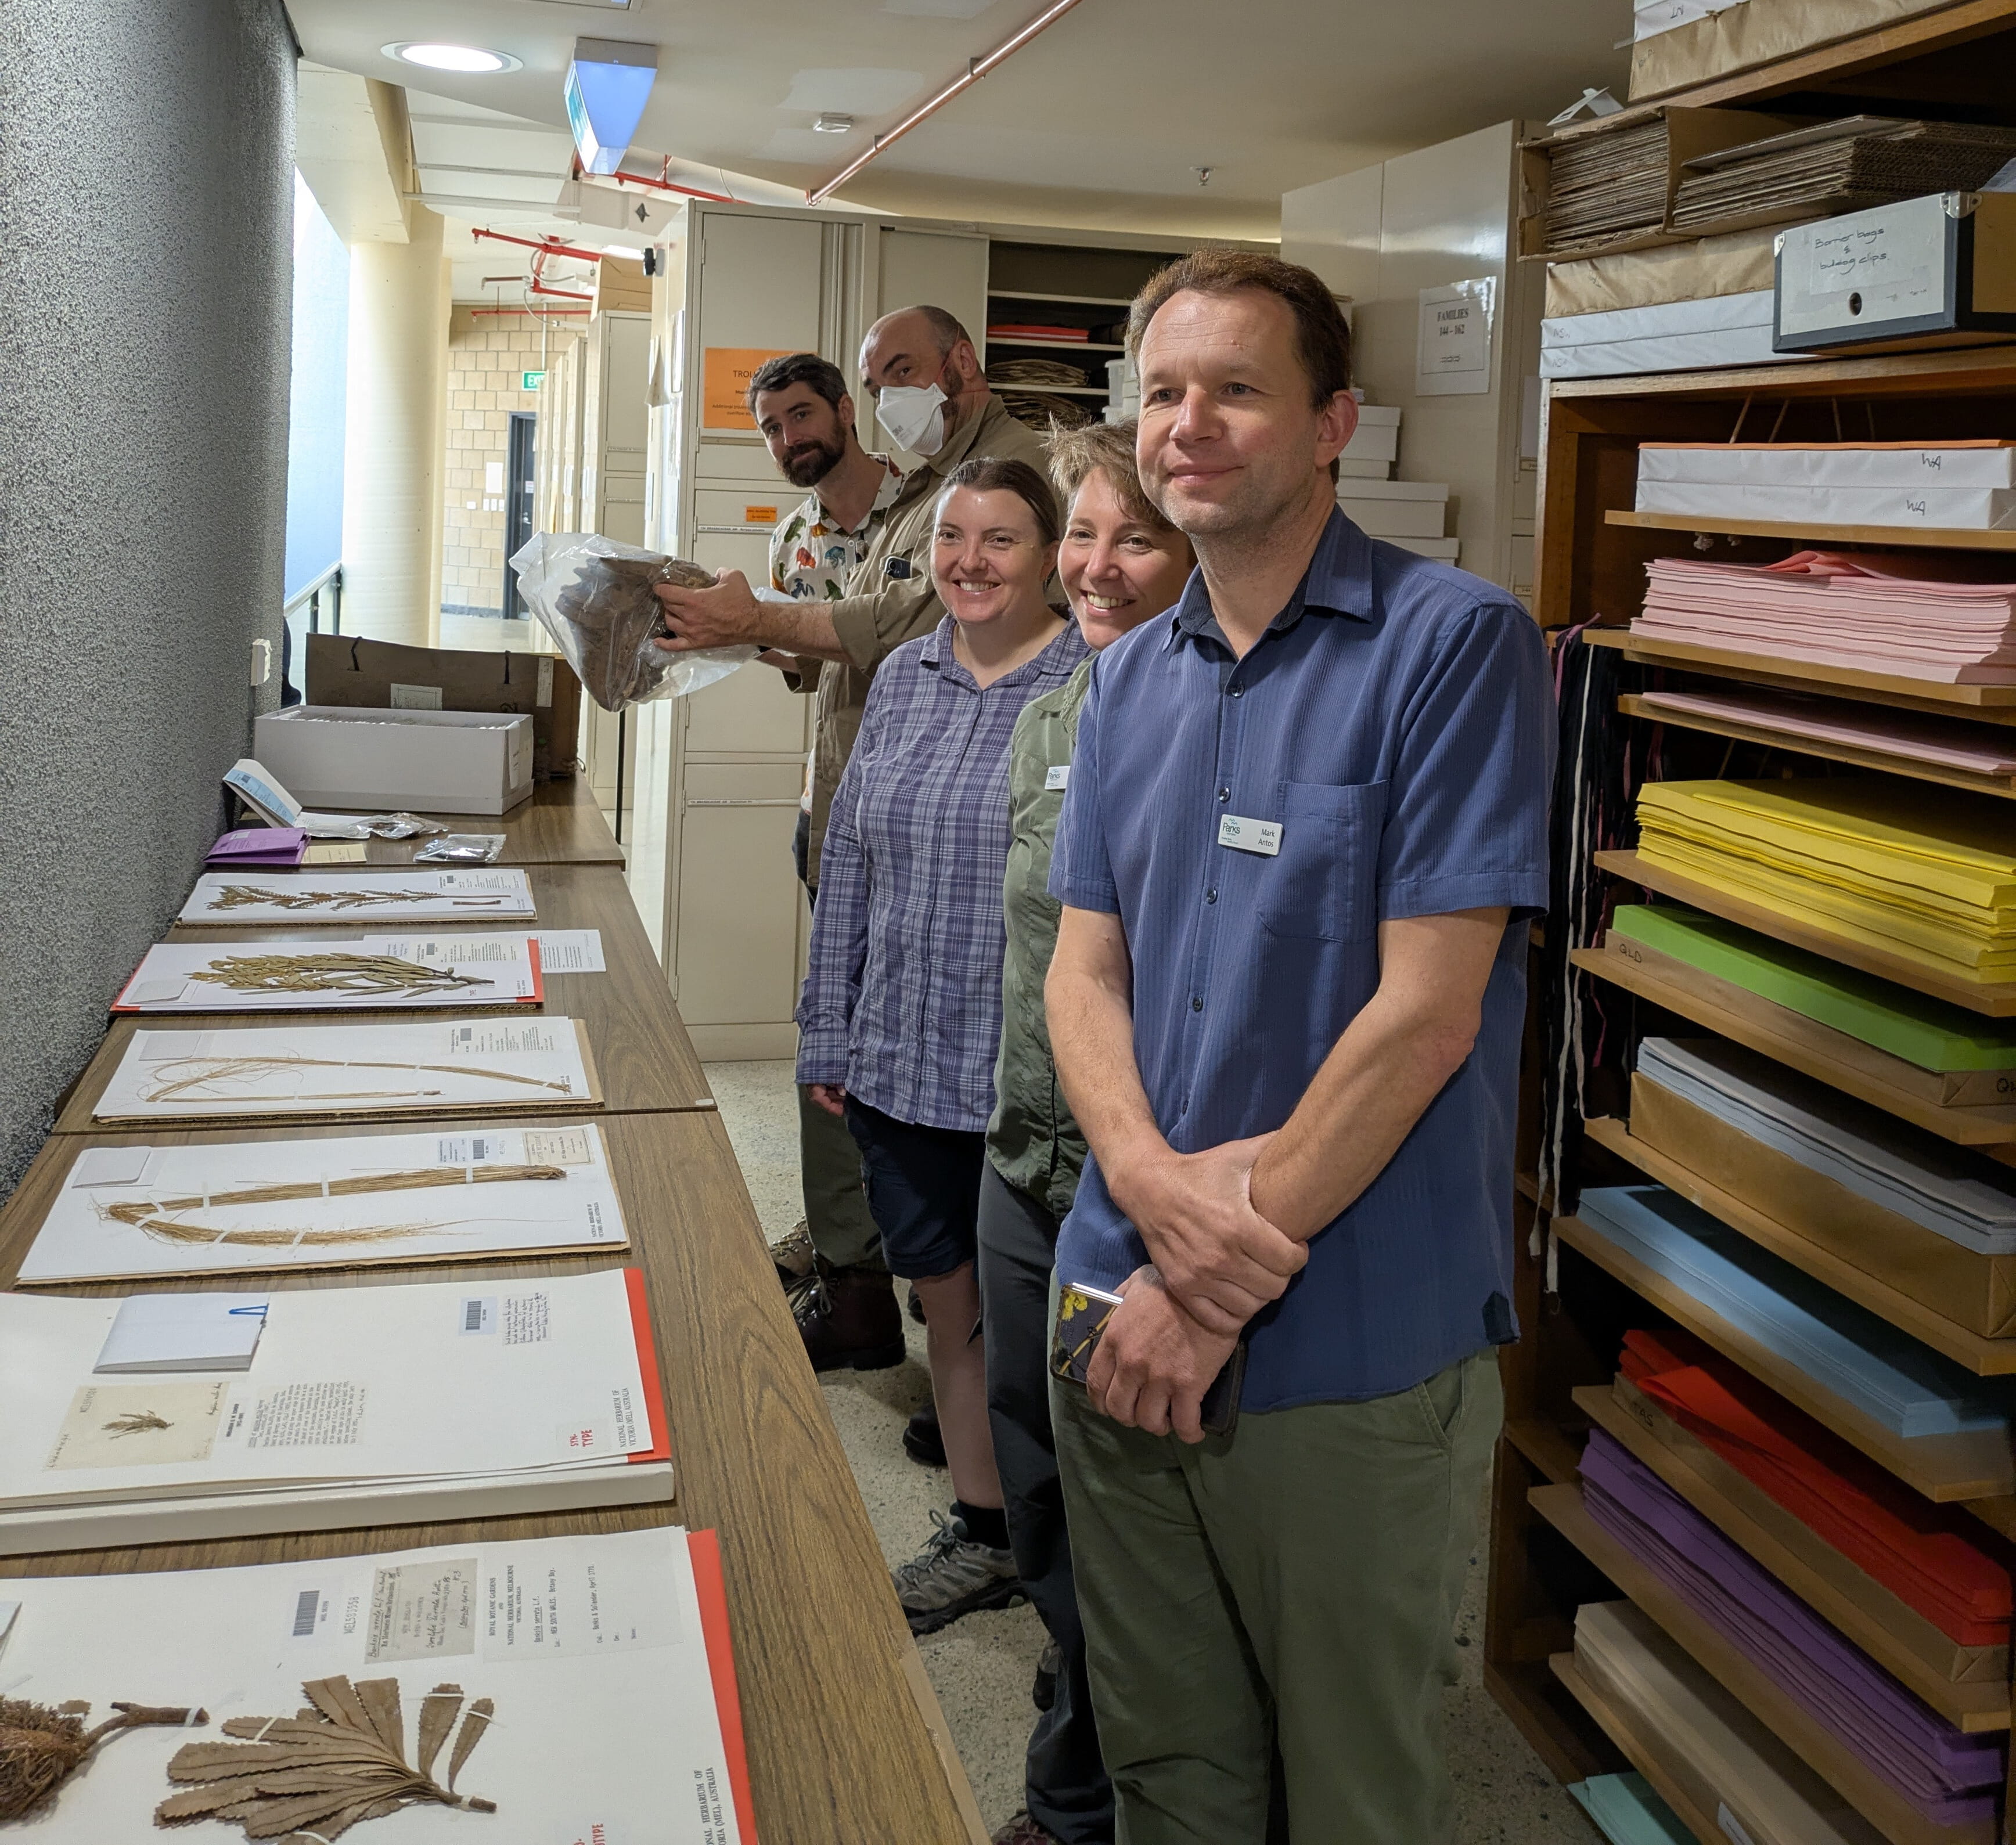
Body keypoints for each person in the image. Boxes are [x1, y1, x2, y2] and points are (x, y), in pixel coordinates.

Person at [1043, 251, 1553, 1842]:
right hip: (1115, 1303)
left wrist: (1208, 1278)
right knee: (1169, 1770)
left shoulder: (1453, 647)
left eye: (1236, 390)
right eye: (1164, 392)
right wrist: (1147, 1192)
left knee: (1351, 1794)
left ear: (1333, 423)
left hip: (1346, 1348)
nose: (1188, 424)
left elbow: (1428, 1014)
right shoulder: (1125, 682)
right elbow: (1084, 971)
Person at [653, 305, 1050, 1375]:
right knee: (845, 1044)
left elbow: (904, 625)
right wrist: (741, 629)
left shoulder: (1008, 475)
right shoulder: (919, 492)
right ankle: (875, 1269)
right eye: (878, 385)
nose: (889, 401)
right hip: (856, 808)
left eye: (900, 374)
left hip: (948, 833)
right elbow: (850, 651)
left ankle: (906, 1287)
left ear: (961, 365)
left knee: (932, 1066)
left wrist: (755, 621)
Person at [797, 457, 1088, 1638]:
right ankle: (986, 1527)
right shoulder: (905, 677)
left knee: (1042, 1328)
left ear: (1051, 554)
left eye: (1000, 539)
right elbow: (850, 859)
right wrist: (828, 1026)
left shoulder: (1092, 682)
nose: (969, 561)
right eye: (952, 539)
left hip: (1029, 1082)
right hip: (901, 1060)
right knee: (949, 1307)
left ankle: (1076, 1562)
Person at [981, 420, 1193, 1845]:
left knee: (1133, 1516)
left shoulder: (1212, 719)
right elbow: (1032, 957)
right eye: (1080, 533)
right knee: (1039, 1478)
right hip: (1022, 1158)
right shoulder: (1053, 709)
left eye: (1136, 538)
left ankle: (1081, 1795)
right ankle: (1082, 1693)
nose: (1096, 566)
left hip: (1137, 1189)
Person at [738, 354, 904, 1328]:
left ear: (845, 410)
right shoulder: (794, 537)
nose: (787, 439)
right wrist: (737, 636)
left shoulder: (920, 512)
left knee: (902, 1034)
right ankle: (847, 1233)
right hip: (830, 805)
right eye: (770, 427)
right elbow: (808, 668)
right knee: (835, 1027)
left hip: (920, 808)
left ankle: (897, 1234)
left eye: (800, 415)